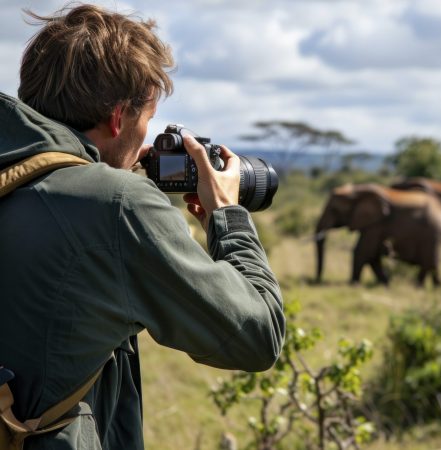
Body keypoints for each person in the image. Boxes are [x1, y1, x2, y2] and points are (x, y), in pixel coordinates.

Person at [0, 4, 285, 449]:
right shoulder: (116, 207)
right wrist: (227, 215)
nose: (145, 141)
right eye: (146, 119)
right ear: (118, 117)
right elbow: (257, 337)